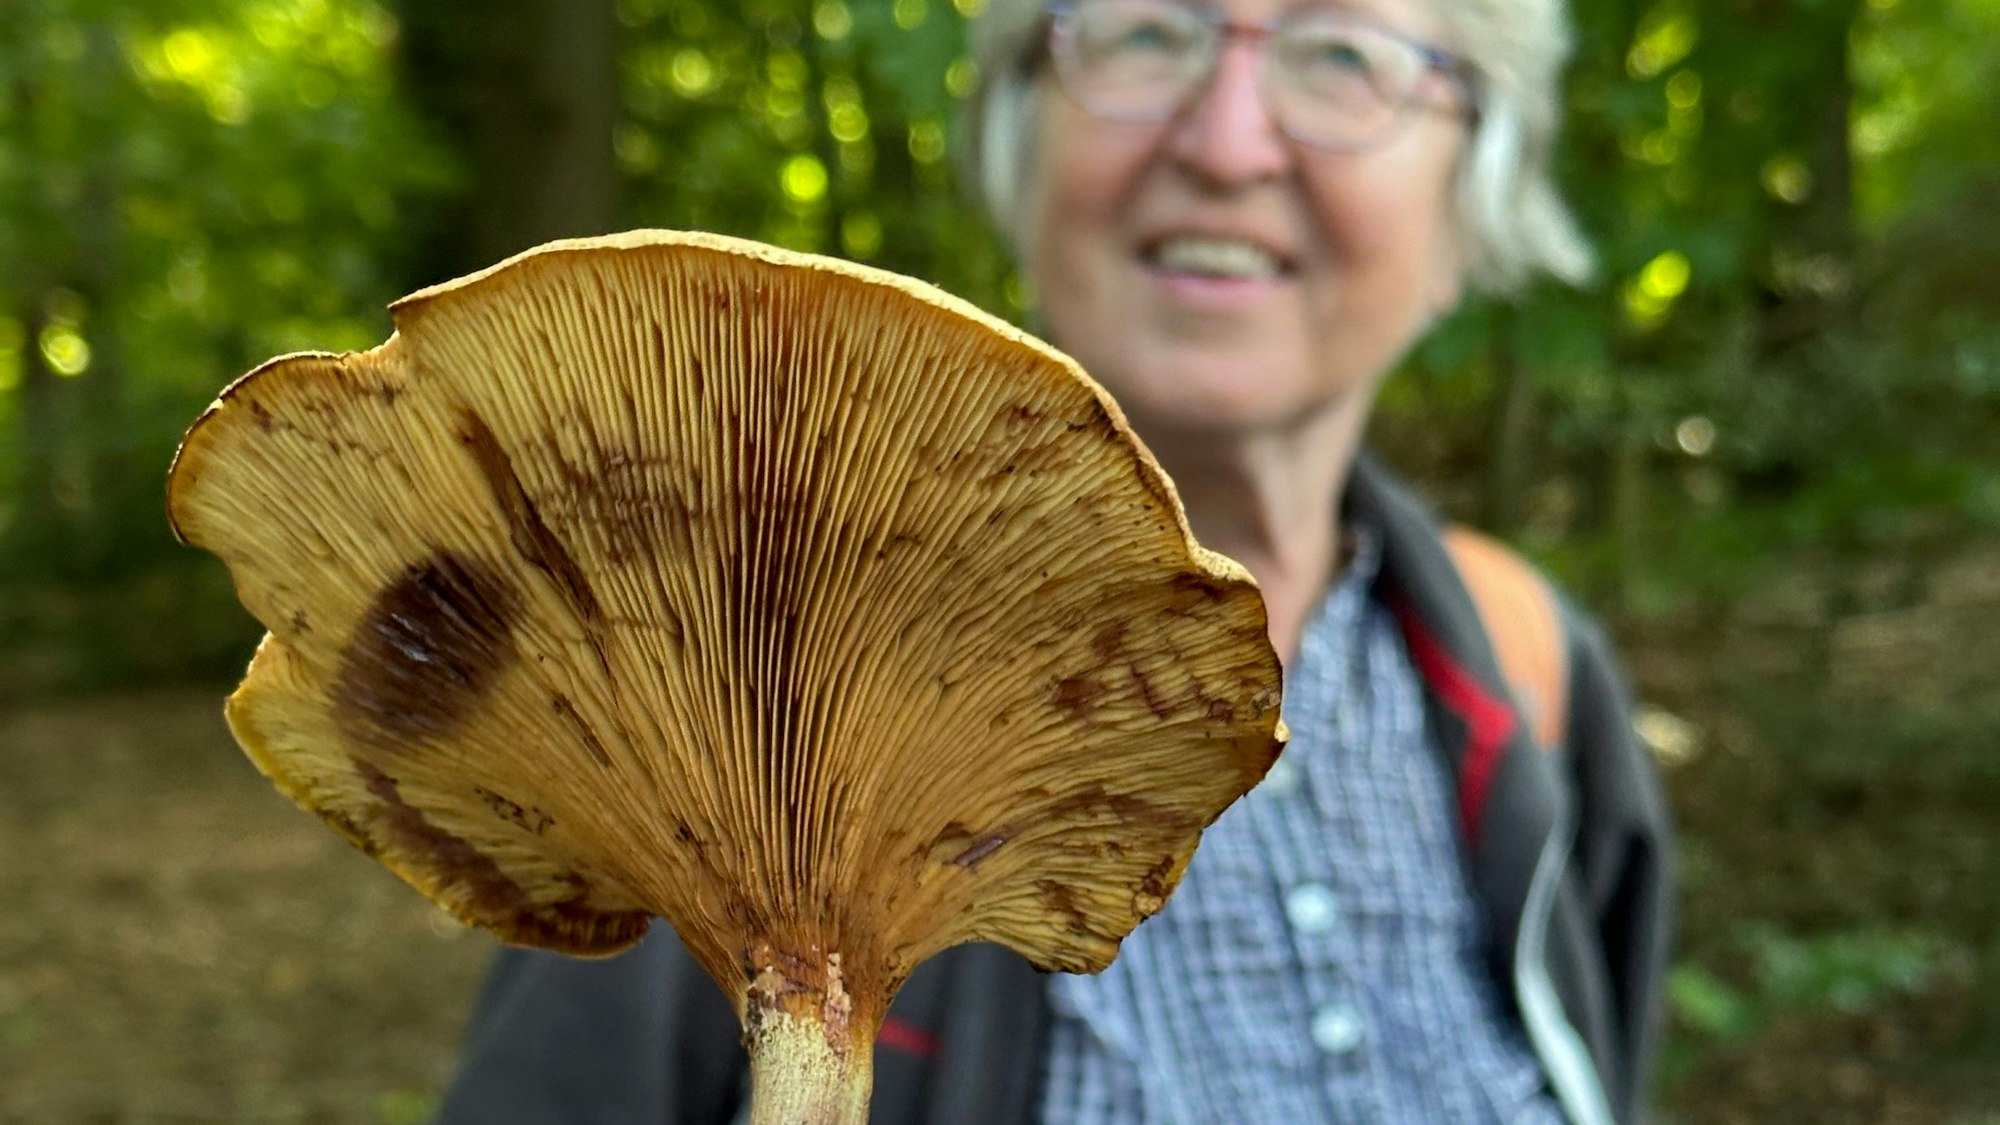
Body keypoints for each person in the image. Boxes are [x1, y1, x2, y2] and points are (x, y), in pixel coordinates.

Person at [435, 0, 1674, 1121]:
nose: (1225, 142)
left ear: (1479, 185)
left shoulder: (1530, 672)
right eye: (1143, 35)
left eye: (1341, 53)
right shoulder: (735, 709)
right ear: (1017, 139)